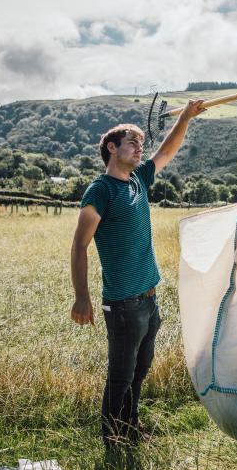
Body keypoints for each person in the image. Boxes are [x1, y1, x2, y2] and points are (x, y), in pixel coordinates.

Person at [70, 99, 206, 441]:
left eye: (140, 144)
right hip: (123, 304)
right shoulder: (100, 191)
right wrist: (81, 298)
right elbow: (79, 246)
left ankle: (130, 426)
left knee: (140, 371)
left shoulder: (137, 181)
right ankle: (113, 436)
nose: (139, 148)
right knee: (121, 374)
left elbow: (167, 151)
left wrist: (186, 116)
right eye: (133, 142)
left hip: (149, 299)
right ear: (112, 148)